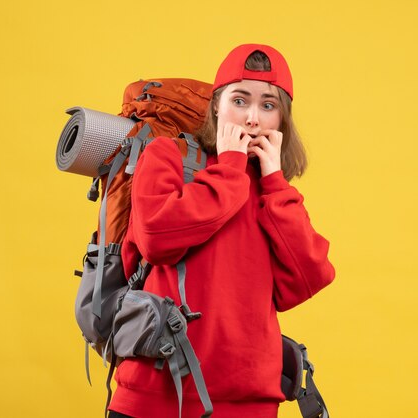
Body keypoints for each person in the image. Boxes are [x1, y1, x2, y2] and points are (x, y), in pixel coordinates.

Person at [107, 43, 335, 418]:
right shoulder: (166, 155)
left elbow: (308, 276)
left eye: (268, 105)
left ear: (282, 119)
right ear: (216, 105)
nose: (252, 119)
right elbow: (156, 241)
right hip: (153, 399)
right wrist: (229, 169)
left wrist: (275, 182)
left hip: (249, 404)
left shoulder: (273, 191)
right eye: (240, 100)